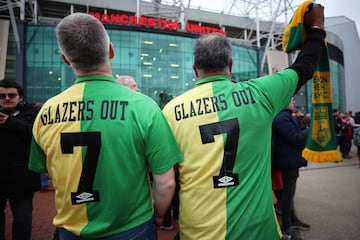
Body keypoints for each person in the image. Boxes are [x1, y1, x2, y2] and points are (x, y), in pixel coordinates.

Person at [161, 4, 326, 240]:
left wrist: (160, 217)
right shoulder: (261, 93)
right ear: (230, 65)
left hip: (198, 231)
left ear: (195, 69)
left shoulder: (171, 110)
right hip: (257, 231)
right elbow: (305, 66)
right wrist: (317, 27)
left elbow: (168, 178)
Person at [28, 13, 183, 239]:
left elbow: (49, 170)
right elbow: (166, 182)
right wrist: (159, 216)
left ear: (65, 59)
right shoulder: (144, 107)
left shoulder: (46, 112)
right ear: (111, 50)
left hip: (72, 230)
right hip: (132, 228)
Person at [0, 79, 41, 240]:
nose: (7, 98)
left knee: (22, 219)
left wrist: (10, 122)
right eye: (2, 96)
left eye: (11, 95)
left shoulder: (33, 113)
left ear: (21, 97)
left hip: (22, 179)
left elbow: (36, 135)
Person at [272, 98, 311, 240]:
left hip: (290, 162)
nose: (293, 102)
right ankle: (287, 226)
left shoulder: (286, 116)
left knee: (289, 195)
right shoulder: (282, 118)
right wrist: (309, 130)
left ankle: (292, 220)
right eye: (291, 99)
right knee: (287, 196)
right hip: (287, 163)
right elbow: (295, 138)